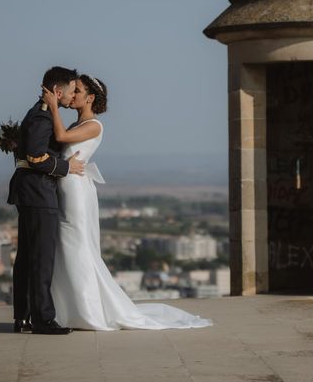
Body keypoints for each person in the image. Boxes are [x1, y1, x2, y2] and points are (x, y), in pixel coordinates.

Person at [42, 74, 213, 330]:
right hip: (67, 186)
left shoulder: (94, 126)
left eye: (77, 90)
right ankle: (69, 309)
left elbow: (61, 138)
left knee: (75, 244)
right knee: (67, 245)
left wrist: (53, 107)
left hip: (76, 190)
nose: (72, 93)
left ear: (90, 98)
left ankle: (87, 311)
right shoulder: (78, 123)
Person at [7, 66, 85, 335]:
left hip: (30, 192)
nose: (73, 95)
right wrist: (66, 168)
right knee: (41, 259)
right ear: (57, 91)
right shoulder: (42, 118)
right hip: (39, 193)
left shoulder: (38, 114)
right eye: (72, 90)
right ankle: (43, 319)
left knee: (28, 257)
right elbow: (37, 157)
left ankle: (23, 317)